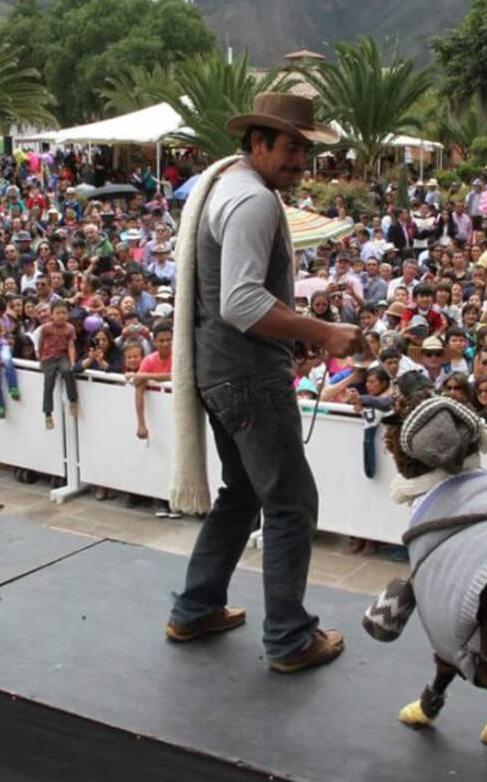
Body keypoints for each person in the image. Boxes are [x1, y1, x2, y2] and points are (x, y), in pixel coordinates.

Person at [167, 93, 363, 673]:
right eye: (292, 145)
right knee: (290, 503)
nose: (301, 158)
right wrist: (323, 332)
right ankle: (289, 638)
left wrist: (295, 331)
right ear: (258, 143)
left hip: (218, 369)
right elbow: (243, 301)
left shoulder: (227, 187)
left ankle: (196, 607)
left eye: (307, 147)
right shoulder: (253, 202)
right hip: (248, 377)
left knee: (245, 492)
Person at [37, 301, 78, 430]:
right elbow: (41, 342)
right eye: (58, 313)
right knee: (49, 383)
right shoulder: (46, 328)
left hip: (62, 356)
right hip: (48, 357)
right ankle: (48, 414)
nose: (61, 316)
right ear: (52, 315)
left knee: (67, 372)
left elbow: (71, 345)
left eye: (64, 313)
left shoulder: (70, 328)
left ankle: (72, 400)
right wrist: (40, 357)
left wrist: (72, 361)